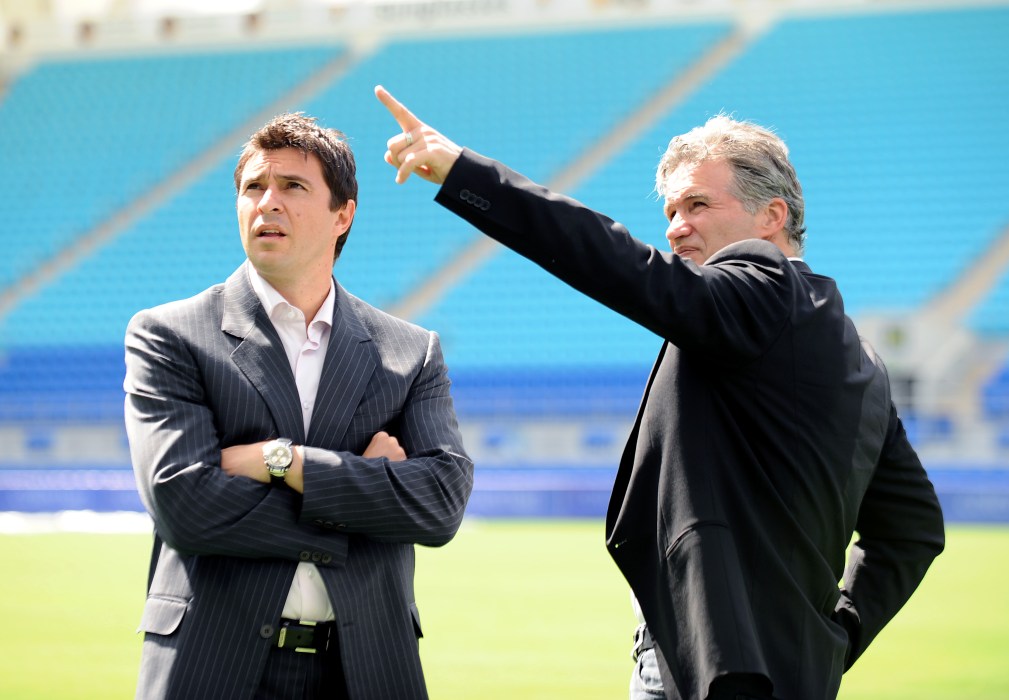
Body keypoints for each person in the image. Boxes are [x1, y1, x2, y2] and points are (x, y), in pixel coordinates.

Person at [374, 85, 944, 700]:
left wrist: (463, 173)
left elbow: (615, 261)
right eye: (670, 211)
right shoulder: (862, 361)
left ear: (771, 217)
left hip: (710, 669)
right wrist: (833, 637)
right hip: (789, 671)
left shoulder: (762, 287)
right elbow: (913, 529)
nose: (676, 228)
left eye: (697, 204)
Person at [123, 112, 473, 700]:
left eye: (293, 186)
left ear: (344, 214)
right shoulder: (171, 334)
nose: (267, 202)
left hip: (367, 671)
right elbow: (183, 504)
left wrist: (280, 461)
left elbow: (439, 506)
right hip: (212, 667)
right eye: (253, 187)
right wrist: (365, 496)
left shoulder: (410, 352)